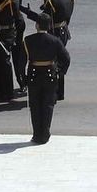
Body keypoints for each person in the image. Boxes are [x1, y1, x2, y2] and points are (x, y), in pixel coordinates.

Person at [23, 12, 70, 145]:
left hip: (33, 74)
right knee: (47, 105)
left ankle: (37, 134)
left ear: (37, 25)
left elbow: (21, 61)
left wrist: (23, 78)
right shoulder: (55, 40)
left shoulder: (28, 40)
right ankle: (45, 134)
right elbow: (66, 58)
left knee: (35, 105)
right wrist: (60, 72)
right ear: (49, 26)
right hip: (50, 75)